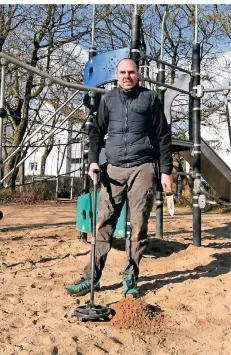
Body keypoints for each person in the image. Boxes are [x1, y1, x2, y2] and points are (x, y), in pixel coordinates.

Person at [65, 58, 173, 298]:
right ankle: (90, 278)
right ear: (117, 75)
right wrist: (93, 161)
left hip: (142, 168)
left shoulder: (150, 98)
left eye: (131, 72)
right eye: (123, 72)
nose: (127, 76)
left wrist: (166, 171)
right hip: (113, 169)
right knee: (103, 223)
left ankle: (130, 278)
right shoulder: (109, 99)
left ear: (138, 75)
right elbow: (96, 132)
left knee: (138, 226)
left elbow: (163, 136)